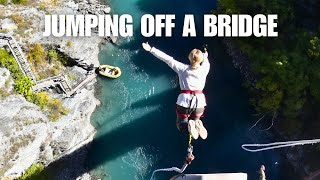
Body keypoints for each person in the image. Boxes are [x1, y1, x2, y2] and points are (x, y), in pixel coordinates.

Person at [142, 42, 210, 140]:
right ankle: (197, 124)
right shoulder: (205, 69)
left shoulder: (182, 69)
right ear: (201, 60)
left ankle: (188, 126)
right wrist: (205, 55)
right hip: (200, 102)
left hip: (184, 101)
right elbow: (206, 61)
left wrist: (151, 49)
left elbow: (167, 59)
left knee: (180, 124)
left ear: (189, 58)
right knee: (196, 119)